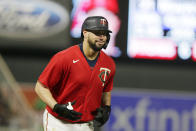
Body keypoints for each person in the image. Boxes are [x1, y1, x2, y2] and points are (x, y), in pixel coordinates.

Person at [34, 16, 116, 131]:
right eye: (98, 33)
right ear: (85, 33)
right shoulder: (64, 58)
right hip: (58, 121)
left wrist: (106, 108)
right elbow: (40, 87)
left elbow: (106, 91)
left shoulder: (109, 63)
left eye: (105, 34)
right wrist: (56, 107)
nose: (102, 37)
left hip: (86, 124)